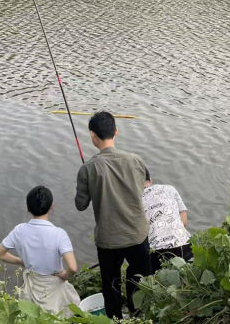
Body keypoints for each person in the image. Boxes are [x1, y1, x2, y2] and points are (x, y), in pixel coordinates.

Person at [75, 111, 151, 319]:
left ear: (93, 135)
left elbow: (80, 205)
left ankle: (115, 319)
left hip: (108, 239)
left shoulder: (87, 168)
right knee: (139, 278)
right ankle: (138, 315)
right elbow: (142, 188)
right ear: (116, 131)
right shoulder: (136, 160)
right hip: (137, 233)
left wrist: (89, 184)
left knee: (111, 284)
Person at [0, 186, 80, 316]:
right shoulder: (59, 234)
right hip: (53, 284)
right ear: (51, 206)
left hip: (32, 285)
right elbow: (73, 268)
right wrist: (65, 276)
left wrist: (20, 261)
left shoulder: (19, 230)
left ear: (27, 208)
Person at [142, 168, 192, 273]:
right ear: (150, 179)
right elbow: (184, 222)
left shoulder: (133, 199)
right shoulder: (170, 189)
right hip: (184, 245)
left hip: (156, 251)